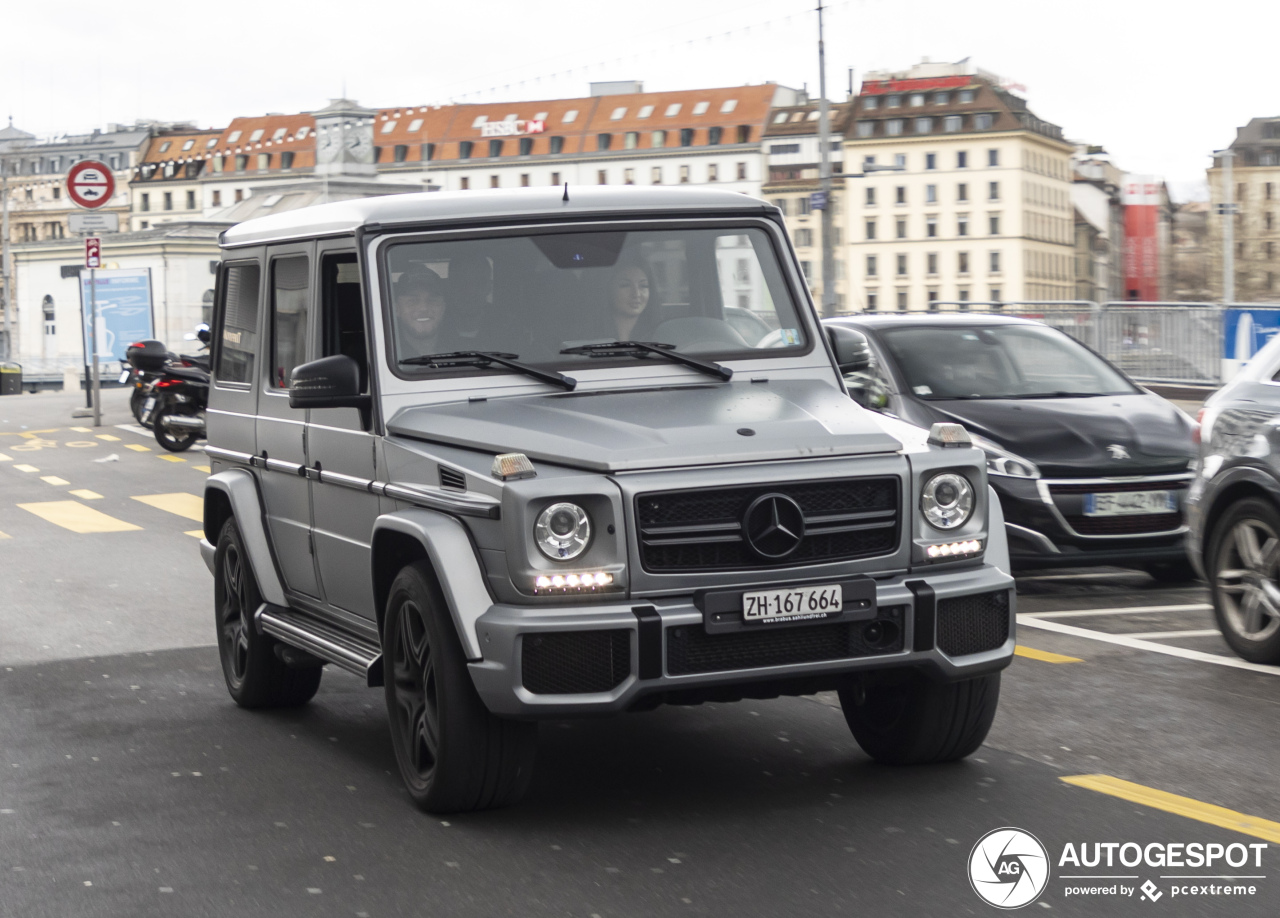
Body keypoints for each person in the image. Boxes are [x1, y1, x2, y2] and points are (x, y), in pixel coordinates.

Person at [393, 267, 449, 357]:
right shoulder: (382, 352)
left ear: (443, 307)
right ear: (397, 309)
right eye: (412, 301)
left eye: (432, 300)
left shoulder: (466, 349)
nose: (423, 308)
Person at [607, 261, 656, 341]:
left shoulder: (661, 336)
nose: (636, 294)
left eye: (643, 286)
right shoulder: (589, 335)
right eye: (625, 285)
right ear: (608, 289)